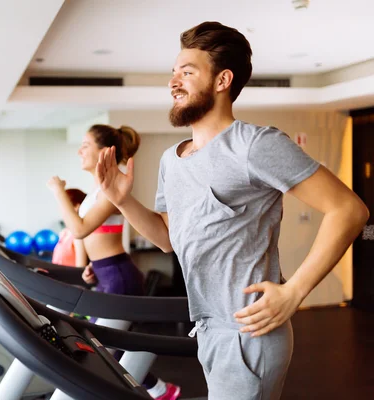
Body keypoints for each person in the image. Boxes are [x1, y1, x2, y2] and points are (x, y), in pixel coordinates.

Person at [95, 21, 369, 400]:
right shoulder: (171, 160)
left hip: (249, 331)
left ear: (222, 80)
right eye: (174, 72)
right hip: (208, 329)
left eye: (187, 72)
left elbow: (348, 209)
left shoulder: (255, 145)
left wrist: (293, 293)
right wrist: (120, 198)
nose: (174, 81)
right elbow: (166, 238)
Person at [47, 124, 181, 400]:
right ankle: (160, 390)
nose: (79, 150)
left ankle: (159, 390)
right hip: (107, 272)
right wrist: (91, 266)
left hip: (119, 275)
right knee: (108, 350)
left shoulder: (110, 190)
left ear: (105, 152)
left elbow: (80, 229)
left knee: (96, 350)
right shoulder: (97, 193)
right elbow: (88, 236)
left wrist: (59, 192)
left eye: (85, 145)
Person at [51, 188, 88, 267]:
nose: (61, 209)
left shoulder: (78, 236)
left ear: (76, 207)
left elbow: (80, 269)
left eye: (64, 205)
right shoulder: (64, 232)